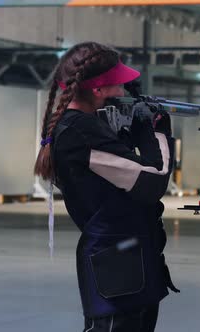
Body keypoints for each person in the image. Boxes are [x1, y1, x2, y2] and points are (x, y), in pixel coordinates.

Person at [34, 41, 179, 332]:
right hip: (117, 265)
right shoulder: (80, 132)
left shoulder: (86, 126)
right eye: (118, 86)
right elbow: (152, 179)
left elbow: (117, 176)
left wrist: (130, 131)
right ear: (98, 90)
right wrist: (156, 132)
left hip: (130, 256)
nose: (123, 93)